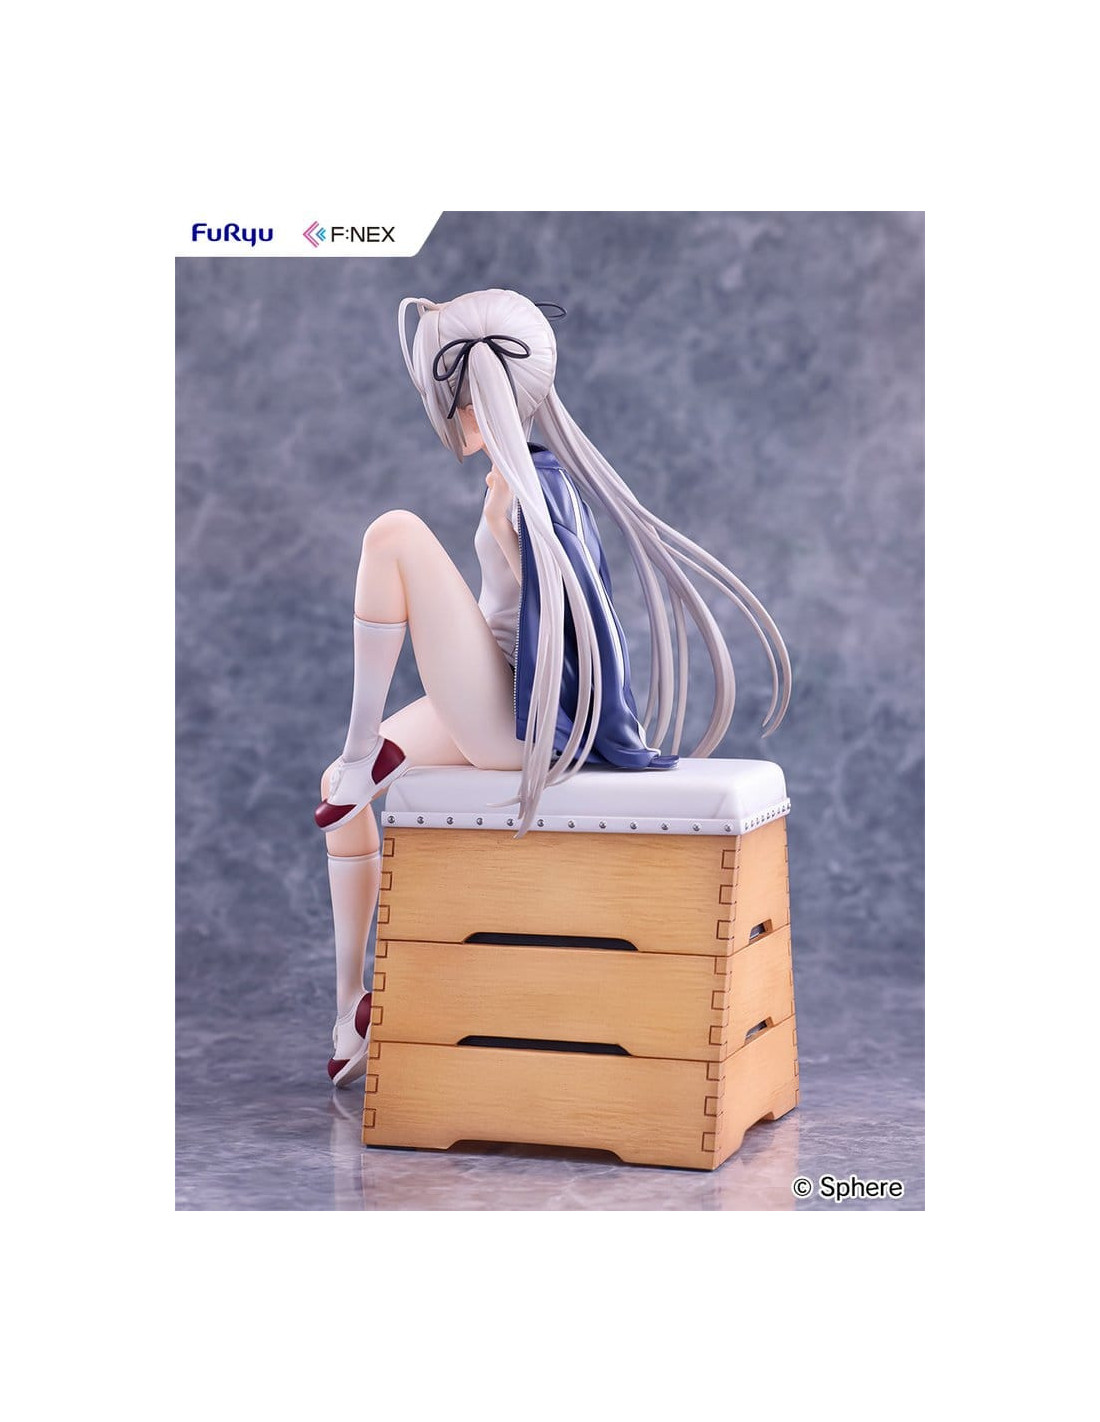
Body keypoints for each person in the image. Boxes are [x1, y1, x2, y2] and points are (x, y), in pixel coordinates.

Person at [315, 288, 791, 1086]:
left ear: (479, 399)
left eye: (456, 402)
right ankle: (351, 1005)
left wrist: (516, 533)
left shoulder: (532, 487)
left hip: (514, 718)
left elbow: (575, 613)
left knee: (392, 534)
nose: (452, 419)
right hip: (486, 691)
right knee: (336, 787)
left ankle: (365, 746)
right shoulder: (511, 481)